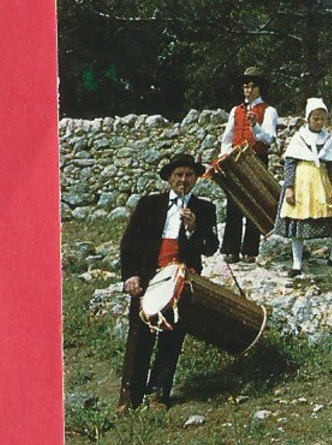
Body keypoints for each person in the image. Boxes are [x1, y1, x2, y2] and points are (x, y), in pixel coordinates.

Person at [117, 152, 220, 410]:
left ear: (196, 178)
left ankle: (159, 395)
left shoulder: (205, 209)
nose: (183, 180)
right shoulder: (149, 205)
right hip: (149, 276)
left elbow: (210, 248)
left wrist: (193, 229)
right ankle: (129, 398)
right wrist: (131, 275)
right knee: (140, 335)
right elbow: (129, 243)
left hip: (182, 281)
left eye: (189, 175)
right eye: (178, 175)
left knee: (171, 338)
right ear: (169, 178)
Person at [276, 97, 332, 279]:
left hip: (322, 182)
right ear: (308, 118)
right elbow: (290, 164)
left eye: (322, 119)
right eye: (315, 118)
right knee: (298, 221)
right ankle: (297, 262)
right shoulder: (299, 139)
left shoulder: (328, 140)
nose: (319, 122)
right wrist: (289, 187)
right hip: (302, 183)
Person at [218, 66, 279, 263]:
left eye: (253, 86)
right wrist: (224, 155)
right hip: (236, 160)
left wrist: (255, 126)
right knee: (234, 203)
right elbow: (227, 136)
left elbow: (269, 138)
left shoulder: (269, 111)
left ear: (260, 89)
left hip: (256, 159)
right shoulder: (236, 110)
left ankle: (250, 250)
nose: (249, 91)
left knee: (254, 202)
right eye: (246, 87)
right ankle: (230, 248)